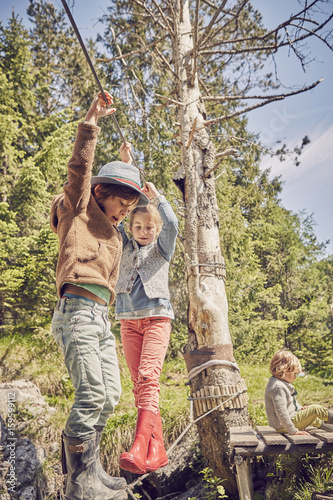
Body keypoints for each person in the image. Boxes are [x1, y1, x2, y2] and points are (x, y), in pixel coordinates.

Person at [50, 91, 149, 500]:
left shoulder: (114, 233)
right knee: (90, 392)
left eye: (128, 209)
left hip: (99, 319)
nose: (123, 212)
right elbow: (80, 166)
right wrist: (92, 120)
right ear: (98, 192)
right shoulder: (78, 210)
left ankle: (91, 470)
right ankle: (78, 482)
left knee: (109, 396)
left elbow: (150, 218)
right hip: (75, 312)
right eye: (119, 204)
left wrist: (128, 164)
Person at [114, 143, 178, 474]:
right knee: (140, 384)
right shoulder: (123, 244)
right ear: (130, 228)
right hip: (127, 321)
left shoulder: (162, 248)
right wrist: (128, 165)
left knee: (149, 377)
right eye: (138, 227)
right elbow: (121, 208)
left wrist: (158, 199)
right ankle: (157, 449)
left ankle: (140, 445)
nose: (143, 231)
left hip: (156, 320)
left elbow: (171, 223)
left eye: (149, 228)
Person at [265, 348, 333, 435]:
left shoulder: (280, 383)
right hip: (284, 426)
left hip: (286, 423)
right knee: (316, 409)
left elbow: (290, 402)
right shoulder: (277, 387)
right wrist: (293, 431)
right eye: (295, 374)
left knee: (314, 418)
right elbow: (281, 412)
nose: (296, 377)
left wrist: (300, 408)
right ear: (285, 370)